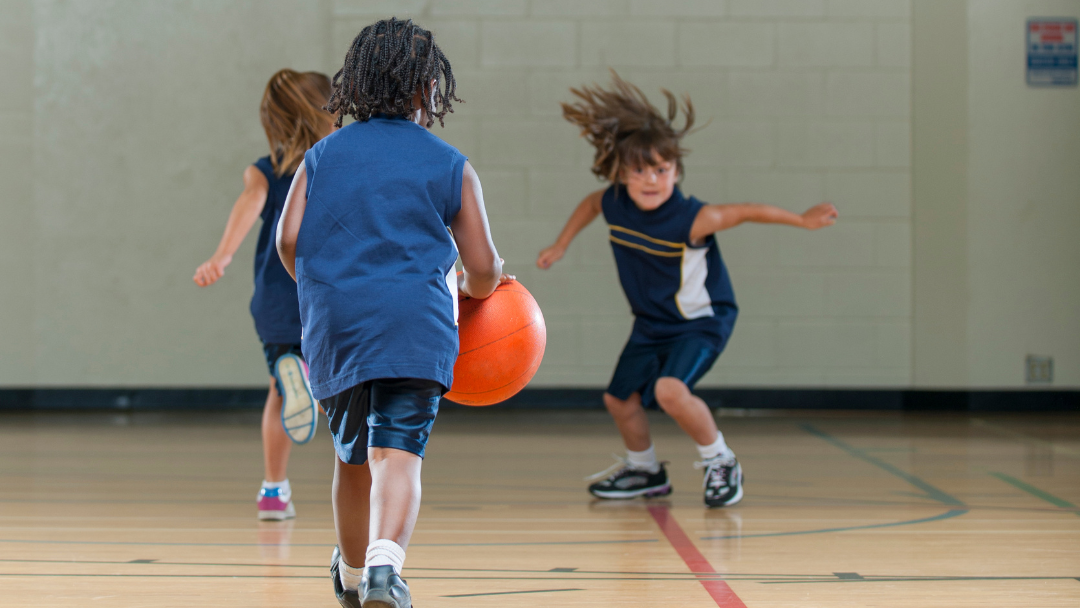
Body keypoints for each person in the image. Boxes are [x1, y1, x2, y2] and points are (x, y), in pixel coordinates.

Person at [276, 18, 507, 608]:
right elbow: (481, 268)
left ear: (358, 84)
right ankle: (385, 567)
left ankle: (351, 578)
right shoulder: (450, 163)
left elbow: (287, 239)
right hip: (414, 330)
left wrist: (324, 288)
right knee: (396, 453)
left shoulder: (321, 157)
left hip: (337, 328)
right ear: (428, 89)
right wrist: (487, 286)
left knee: (352, 458)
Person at [537, 72, 838, 508]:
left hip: (700, 322)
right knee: (619, 399)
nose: (652, 179)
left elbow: (747, 211)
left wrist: (802, 219)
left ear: (677, 171)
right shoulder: (614, 203)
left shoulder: (693, 218)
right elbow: (589, 204)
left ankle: (721, 461)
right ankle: (646, 472)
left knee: (670, 391)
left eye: (662, 169)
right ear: (621, 174)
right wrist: (561, 244)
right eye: (640, 170)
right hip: (651, 324)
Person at [193, 69, 332, 521]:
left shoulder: (266, 170)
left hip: (275, 298)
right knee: (342, 383)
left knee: (278, 391)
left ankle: (274, 491)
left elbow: (248, 205)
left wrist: (222, 255)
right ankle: (309, 377)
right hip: (325, 295)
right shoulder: (334, 164)